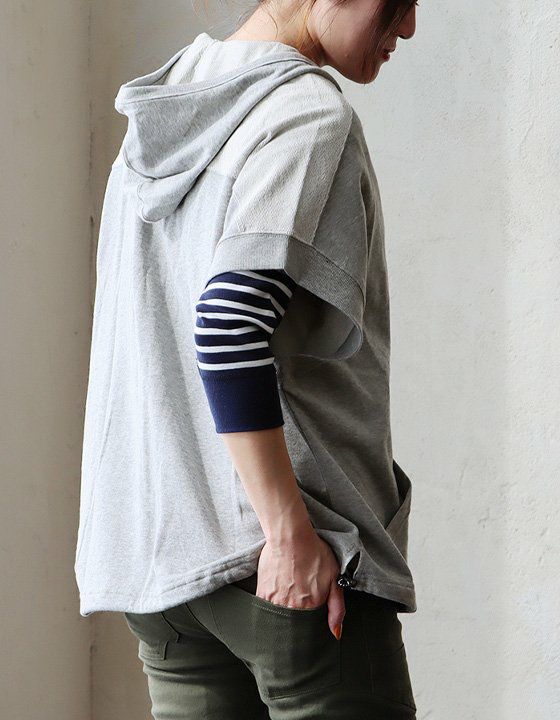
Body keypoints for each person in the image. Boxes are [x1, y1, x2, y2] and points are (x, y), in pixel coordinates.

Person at [74, 0, 419, 717]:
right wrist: (289, 534)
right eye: (398, 1)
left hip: (162, 566)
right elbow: (230, 323)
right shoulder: (305, 116)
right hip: (284, 564)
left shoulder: (162, 111)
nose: (408, 26)